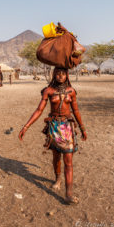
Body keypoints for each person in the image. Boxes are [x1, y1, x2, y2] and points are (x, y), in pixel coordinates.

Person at [19, 67, 87, 204]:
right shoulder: (48, 91)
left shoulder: (71, 91)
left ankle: (68, 194)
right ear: (54, 75)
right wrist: (26, 126)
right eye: (58, 74)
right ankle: (58, 179)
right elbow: (39, 110)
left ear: (67, 75)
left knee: (68, 161)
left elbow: (76, 110)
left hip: (67, 127)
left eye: (63, 74)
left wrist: (82, 128)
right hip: (54, 127)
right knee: (56, 157)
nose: (60, 76)